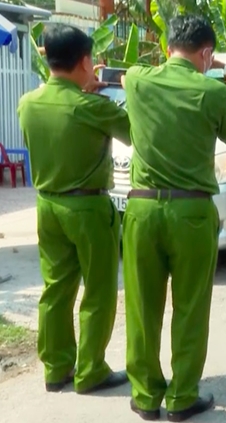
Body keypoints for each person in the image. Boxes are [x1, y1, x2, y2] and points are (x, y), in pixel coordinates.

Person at [121, 15, 226, 421]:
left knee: (142, 308)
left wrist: (202, 62)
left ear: (167, 47)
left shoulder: (137, 80)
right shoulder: (212, 94)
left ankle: (145, 396)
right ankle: (180, 398)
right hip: (192, 213)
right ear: (207, 52)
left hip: (141, 210)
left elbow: (145, 69)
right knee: (190, 308)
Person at [16, 24, 131, 394]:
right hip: (88, 207)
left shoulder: (27, 103)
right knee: (97, 290)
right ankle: (91, 370)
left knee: (56, 289)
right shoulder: (92, 106)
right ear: (85, 62)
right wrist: (103, 95)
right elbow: (133, 132)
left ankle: (56, 368)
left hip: (47, 205)